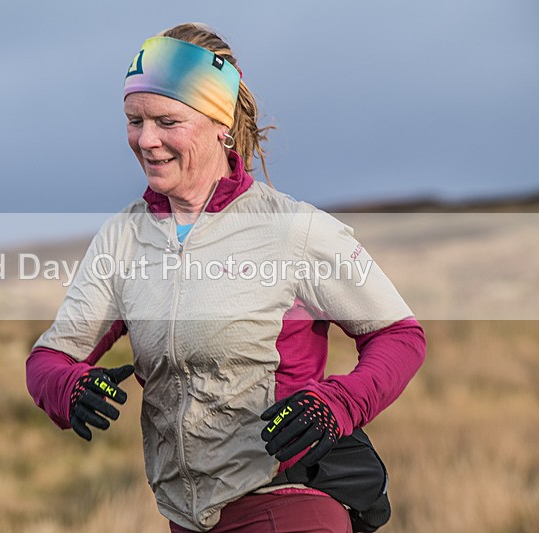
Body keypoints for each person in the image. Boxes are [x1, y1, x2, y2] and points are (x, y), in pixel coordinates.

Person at [26, 23, 426, 533]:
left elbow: (398, 335)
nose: (147, 140)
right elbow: (48, 357)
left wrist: (339, 403)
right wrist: (66, 386)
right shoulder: (122, 239)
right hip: (186, 520)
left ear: (220, 123)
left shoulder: (293, 230)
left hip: (289, 503)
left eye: (167, 121)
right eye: (134, 121)